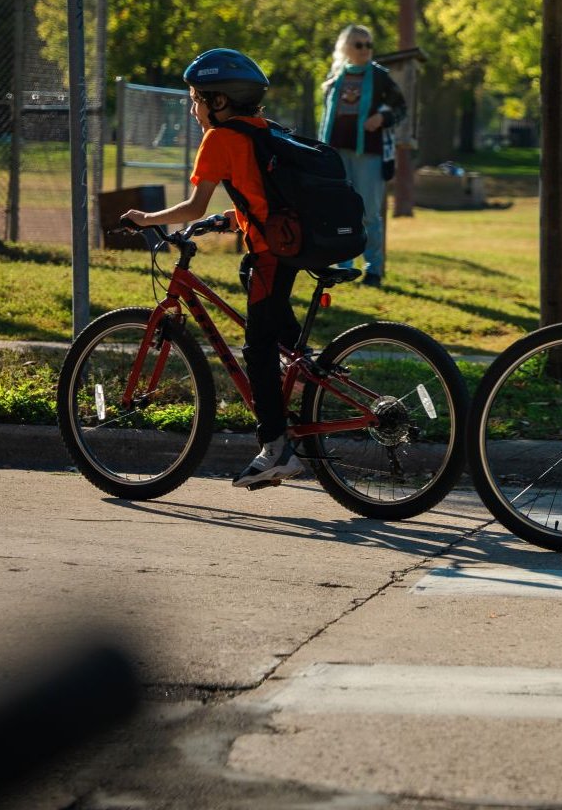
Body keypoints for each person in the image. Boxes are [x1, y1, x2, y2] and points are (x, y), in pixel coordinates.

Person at [121, 49, 304, 489]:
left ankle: (276, 449)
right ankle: (301, 369)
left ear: (219, 102)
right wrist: (226, 220)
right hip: (289, 249)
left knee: (256, 350)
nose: (193, 108)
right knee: (257, 292)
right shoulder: (264, 129)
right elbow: (259, 193)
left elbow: (192, 205)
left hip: (271, 256)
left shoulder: (220, 139)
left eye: (197, 99)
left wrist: (146, 219)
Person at [318, 25, 408, 288]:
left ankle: (374, 271)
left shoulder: (380, 77)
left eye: (369, 44)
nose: (366, 50)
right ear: (346, 47)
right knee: (340, 213)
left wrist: (383, 117)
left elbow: (401, 108)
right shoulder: (335, 77)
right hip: (336, 154)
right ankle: (343, 267)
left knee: (369, 214)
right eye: (359, 44)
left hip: (369, 154)